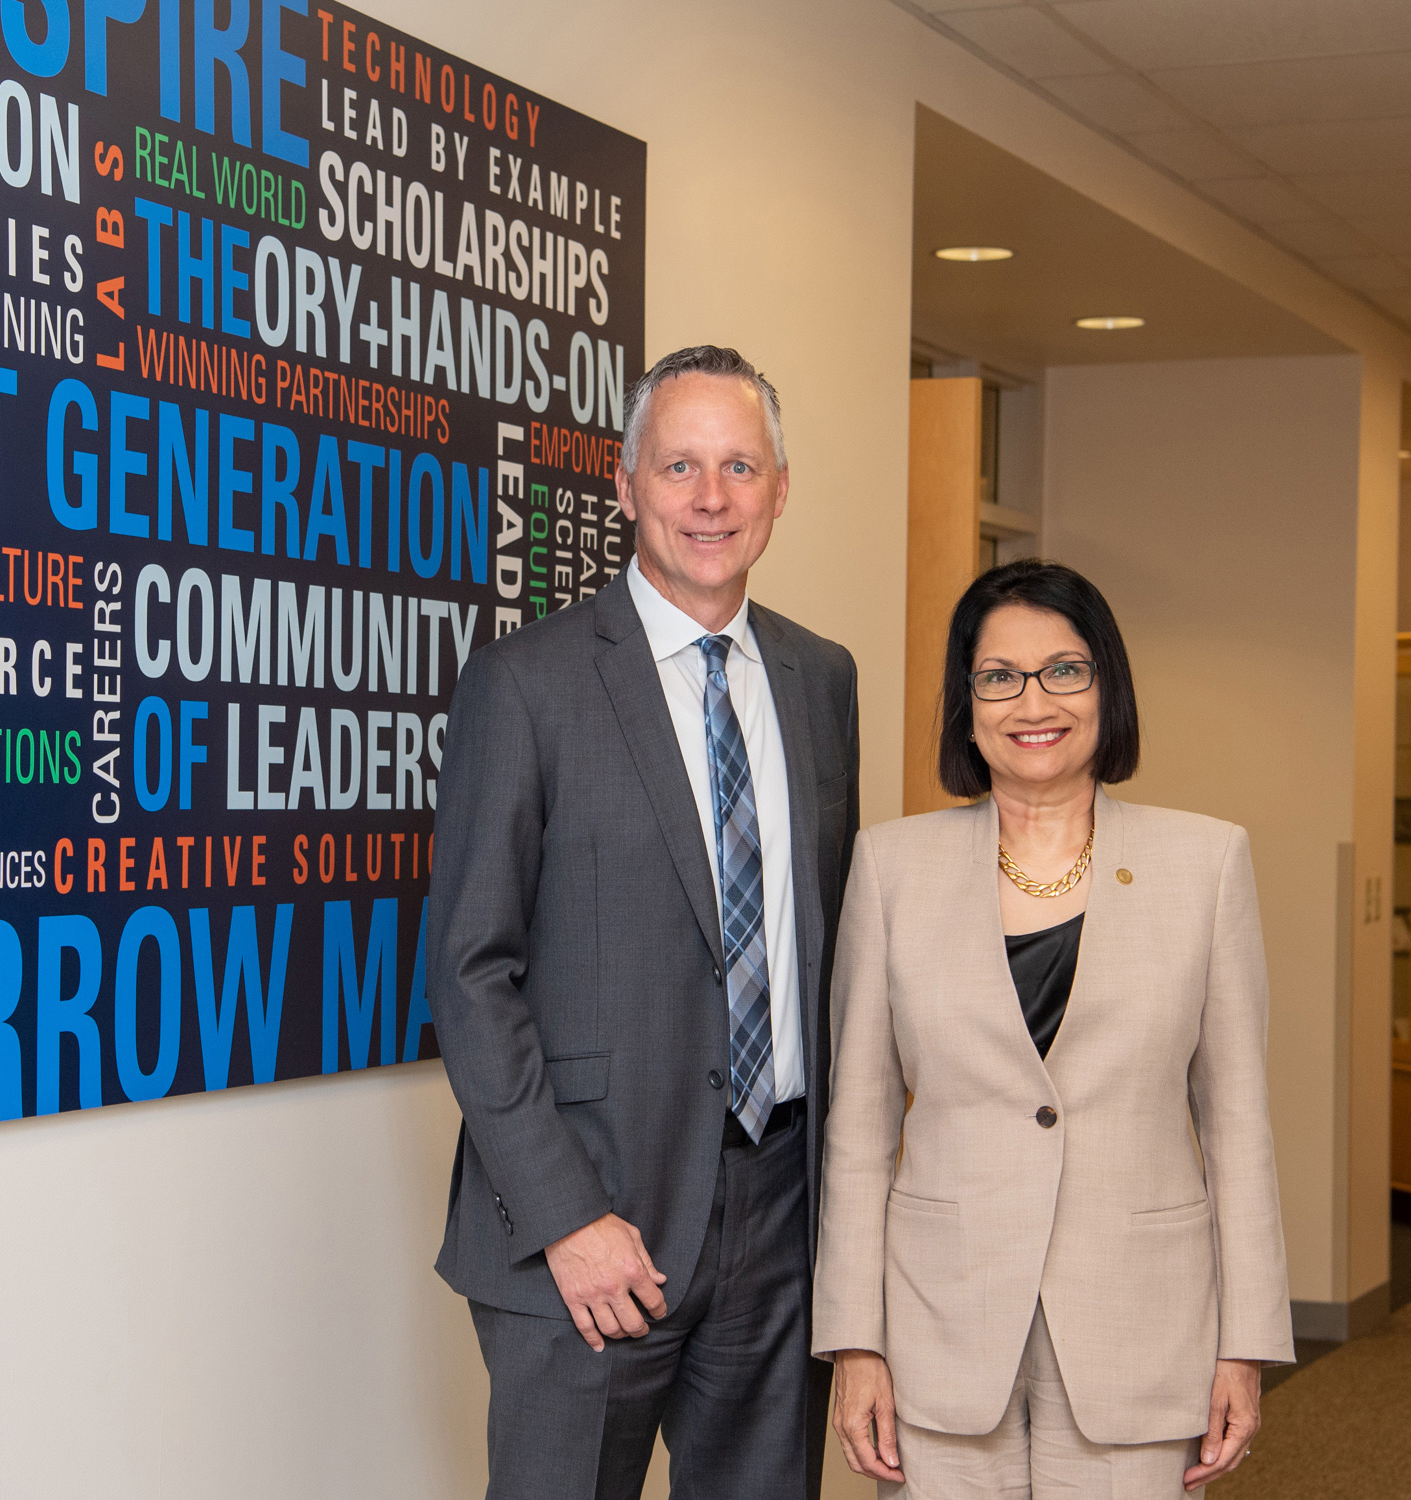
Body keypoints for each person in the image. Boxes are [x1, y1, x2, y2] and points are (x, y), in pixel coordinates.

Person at [428, 345, 860, 1499]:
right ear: (624, 488)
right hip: (591, 1222)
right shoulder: (525, 684)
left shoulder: (823, 682)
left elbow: (823, 947)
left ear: (778, 489)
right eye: (677, 466)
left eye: (737, 467)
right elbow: (469, 972)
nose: (708, 499)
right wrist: (568, 1217)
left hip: (778, 1216)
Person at [814, 559, 1292, 1497]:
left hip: (1140, 1329)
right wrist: (855, 1341)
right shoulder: (890, 868)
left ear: (1107, 684)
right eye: (999, 677)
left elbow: (1238, 1126)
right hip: (937, 1331)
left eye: (1064, 670)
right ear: (967, 702)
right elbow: (860, 1132)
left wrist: (1247, 1343)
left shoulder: (1207, 863)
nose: (1033, 701)